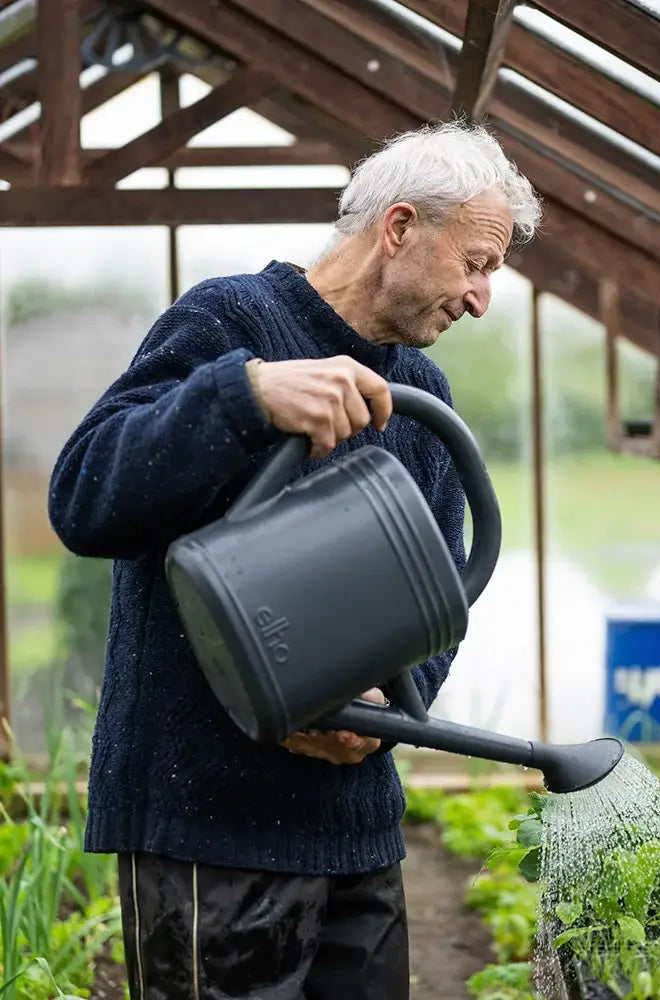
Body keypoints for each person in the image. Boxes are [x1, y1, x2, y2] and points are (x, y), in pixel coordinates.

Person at [48, 120, 541, 1000]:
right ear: (398, 229)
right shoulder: (232, 321)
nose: (480, 298)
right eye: (475, 263)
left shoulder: (422, 394)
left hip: (354, 831)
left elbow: (438, 594)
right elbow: (84, 497)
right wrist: (243, 394)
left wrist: (393, 697)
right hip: (210, 831)